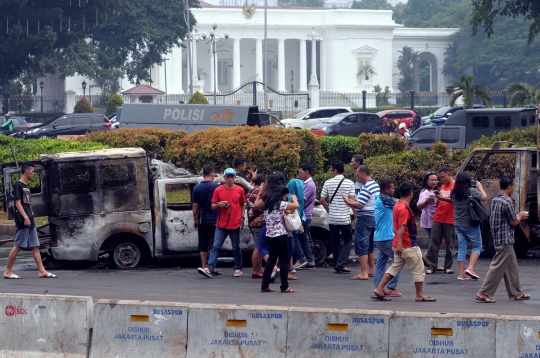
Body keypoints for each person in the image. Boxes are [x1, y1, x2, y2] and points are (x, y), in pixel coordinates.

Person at [373, 182, 436, 302]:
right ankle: (419, 294)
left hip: (398, 242)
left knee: (395, 267)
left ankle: (380, 288)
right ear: (411, 193)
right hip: (407, 244)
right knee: (418, 269)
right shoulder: (404, 208)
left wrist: (398, 244)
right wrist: (401, 245)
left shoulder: (397, 205)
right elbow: (402, 227)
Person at [476, 176, 530, 303]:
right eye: (513, 187)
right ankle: (483, 292)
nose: (513, 189)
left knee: (512, 266)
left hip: (498, 237)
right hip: (505, 239)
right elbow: (513, 222)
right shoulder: (507, 202)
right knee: (497, 266)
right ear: (510, 187)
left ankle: (516, 292)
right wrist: (521, 216)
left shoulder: (495, 200)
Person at [4, 162, 57, 279]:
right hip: (23, 219)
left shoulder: (26, 186)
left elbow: (27, 203)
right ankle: (8, 271)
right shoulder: (18, 185)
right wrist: (25, 217)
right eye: (32, 171)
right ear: (26, 171)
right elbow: (17, 203)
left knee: (35, 246)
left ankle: (42, 270)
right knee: (18, 245)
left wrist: (31, 215)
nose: (33, 173)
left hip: (30, 218)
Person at [198, 168, 246, 278]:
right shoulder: (218, 190)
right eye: (228, 177)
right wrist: (219, 204)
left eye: (231, 176)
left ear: (235, 177)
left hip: (234, 223)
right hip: (221, 224)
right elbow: (212, 206)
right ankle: (209, 268)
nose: (230, 179)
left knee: (236, 247)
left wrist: (242, 217)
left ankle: (238, 267)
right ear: (224, 178)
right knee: (216, 246)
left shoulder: (240, 190)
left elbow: (243, 204)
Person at [260, 186, 298, 293]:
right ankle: (284, 286)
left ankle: (265, 285)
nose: (286, 198)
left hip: (269, 236)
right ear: (281, 195)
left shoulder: (268, 205)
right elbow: (296, 205)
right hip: (281, 236)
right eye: (285, 196)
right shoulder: (280, 204)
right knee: (284, 261)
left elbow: (288, 212)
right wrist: (294, 198)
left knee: (271, 261)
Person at [343, 165, 379, 280]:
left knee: (361, 244)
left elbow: (360, 205)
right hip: (373, 217)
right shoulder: (375, 185)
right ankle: (371, 269)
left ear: (363, 174)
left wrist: (348, 202)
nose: (357, 177)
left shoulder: (367, 186)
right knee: (369, 245)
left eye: (357, 175)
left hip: (365, 218)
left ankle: (364, 272)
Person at [320, 160, 355, 274]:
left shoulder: (328, 182)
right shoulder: (349, 183)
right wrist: (355, 214)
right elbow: (352, 201)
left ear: (335, 170)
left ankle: (337, 264)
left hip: (333, 218)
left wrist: (329, 210)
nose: (331, 172)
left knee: (334, 241)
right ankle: (341, 263)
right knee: (348, 240)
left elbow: (322, 199)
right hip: (344, 218)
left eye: (331, 170)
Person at [451, 171, 487, 280]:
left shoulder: (453, 192)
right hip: (470, 223)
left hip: (457, 223)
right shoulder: (471, 191)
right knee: (477, 246)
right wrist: (480, 187)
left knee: (462, 248)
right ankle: (470, 268)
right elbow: (484, 197)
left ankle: (461, 274)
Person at [424, 167, 456, 275]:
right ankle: (432, 266)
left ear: (449, 174)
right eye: (440, 177)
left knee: (449, 243)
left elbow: (456, 201)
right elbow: (441, 201)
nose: (441, 179)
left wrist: (442, 198)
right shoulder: (442, 186)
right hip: (438, 218)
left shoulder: (455, 186)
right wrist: (437, 199)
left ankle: (448, 266)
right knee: (434, 243)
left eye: (443, 177)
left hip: (450, 218)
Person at [372, 178, 401, 297]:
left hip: (380, 237)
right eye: (392, 188)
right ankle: (390, 287)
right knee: (399, 261)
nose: (394, 190)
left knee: (381, 264)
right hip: (386, 237)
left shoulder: (380, 199)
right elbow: (401, 204)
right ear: (386, 189)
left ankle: (378, 287)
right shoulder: (384, 199)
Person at [192, 166, 221, 273]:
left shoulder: (196, 188)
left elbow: (195, 206)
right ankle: (212, 267)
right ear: (212, 175)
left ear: (203, 175)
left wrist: (195, 219)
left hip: (202, 220)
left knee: (203, 243)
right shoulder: (217, 187)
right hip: (215, 219)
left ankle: (204, 266)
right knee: (214, 244)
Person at [418, 171, 444, 272]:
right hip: (429, 221)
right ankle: (433, 262)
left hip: (437, 219)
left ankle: (426, 257)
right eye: (432, 180)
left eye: (435, 180)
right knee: (436, 242)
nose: (434, 182)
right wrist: (426, 201)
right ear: (427, 181)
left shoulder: (438, 191)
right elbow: (419, 206)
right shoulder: (425, 192)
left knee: (439, 241)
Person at [293, 163, 316, 270]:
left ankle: (301, 258)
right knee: (304, 238)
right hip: (305, 215)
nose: (299, 174)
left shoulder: (309, 185)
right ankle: (310, 260)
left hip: (303, 215)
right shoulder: (306, 184)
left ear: (307, 172)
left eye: (300, 172)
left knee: (295, 236)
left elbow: (302, 200)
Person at [247, 174, 266, 278]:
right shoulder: (261, 193)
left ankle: (259, 269)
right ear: (263, 183)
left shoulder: (250, 192)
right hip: (258, 222)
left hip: (251, 221)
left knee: (258, 246)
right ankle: (255, 271)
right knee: (258, 247)